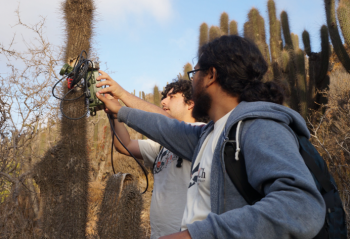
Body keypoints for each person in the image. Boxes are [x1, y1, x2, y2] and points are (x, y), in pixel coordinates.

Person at [96, 35, 326, 239]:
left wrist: (194, 235)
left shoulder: (258, 125)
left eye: (195, 74)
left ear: (211, 75)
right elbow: (163, 127)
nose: (192, 82)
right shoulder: (208, 134)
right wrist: (119, 109)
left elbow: (301, 206)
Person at [97, 77, 207, 239]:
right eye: (164, 97)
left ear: (191, 104)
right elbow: (124, 144)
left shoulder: (201, 133)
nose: (163, 101)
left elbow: (165, 122)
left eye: (172, 97)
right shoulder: (161, 144)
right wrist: (114, 114)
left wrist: (122, 96)